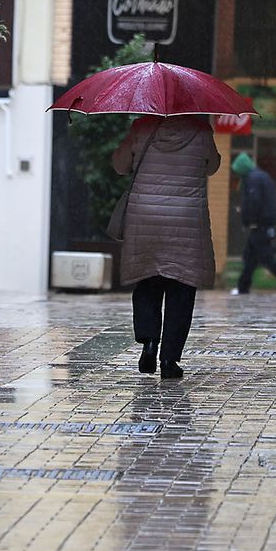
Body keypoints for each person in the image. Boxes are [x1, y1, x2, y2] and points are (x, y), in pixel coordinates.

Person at [112, 114, 221, 380]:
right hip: (185, 220)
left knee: (147, 281)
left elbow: (119, 165)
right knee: (181, 290)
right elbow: (213, 166)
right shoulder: (200, 129)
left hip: (145, 218)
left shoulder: (142, 126)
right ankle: (169, 360)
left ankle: (149, 341)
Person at [229, 152, 276, 296]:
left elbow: (254, 202)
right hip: (264, 224)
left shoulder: (252, 179)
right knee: (249, 258)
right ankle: (242, 287)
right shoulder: (261, 176)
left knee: (268, 259)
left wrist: (249, 219)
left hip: (260, 225)